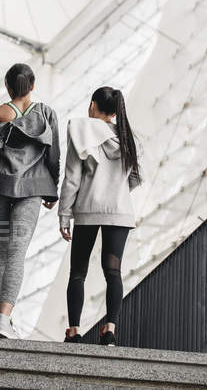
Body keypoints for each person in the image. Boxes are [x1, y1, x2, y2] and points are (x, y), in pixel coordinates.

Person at [0, 63, 61, 339]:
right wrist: (53, 189)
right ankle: (5, 319)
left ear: (7, 86)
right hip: (32, 191)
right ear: (33, 85)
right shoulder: (47, 114)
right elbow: (54, 155)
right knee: (16, 253)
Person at [58, 86, 143, 346]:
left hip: (88, 210)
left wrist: (64, 215)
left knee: (78, 273)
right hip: (120, 211)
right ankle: (110, 330)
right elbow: (137, 176)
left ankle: (74, 331)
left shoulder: (81, 129)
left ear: (93, 104)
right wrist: (116, 191)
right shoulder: (130, 137)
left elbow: (72, 177)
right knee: (113, 272)